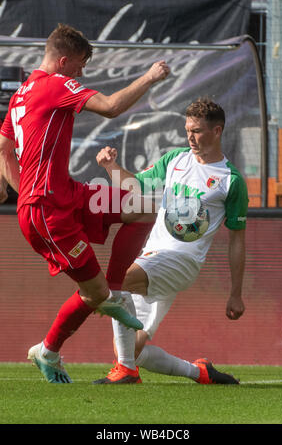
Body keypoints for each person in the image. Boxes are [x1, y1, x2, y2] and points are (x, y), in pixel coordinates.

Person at [0, 23, 169, 383]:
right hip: (47, 211)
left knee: (142, 206)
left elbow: (2, 148)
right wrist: (150, 77)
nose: (82, 73)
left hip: (68, 195)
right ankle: (49, 349)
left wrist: (19, 188)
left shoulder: (21, 93)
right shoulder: (56, 84)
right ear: (63, 61)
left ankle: (114, 290)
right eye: (79, 64)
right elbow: (109, 107)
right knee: (94, 294)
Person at [93, 97, 248, 385]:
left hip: (182, 261)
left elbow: (237, 240)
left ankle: (124, 373)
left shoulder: (231, 180)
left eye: (197, 131)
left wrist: (235, 293)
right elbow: (136, 186)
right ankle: (200, 372)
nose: (190, 136)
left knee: (112, 284)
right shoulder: (175, 160)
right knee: (130, 348)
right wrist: (110, 167)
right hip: (152, 256)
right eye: (187, 129)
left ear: (217, 131)